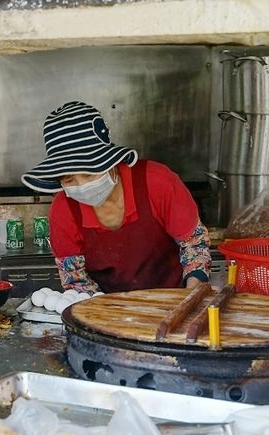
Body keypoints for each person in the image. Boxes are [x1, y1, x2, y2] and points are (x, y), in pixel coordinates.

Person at [22, 101, 210, 294]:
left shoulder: (157, 182)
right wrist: (105, 313)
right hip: (106, 309)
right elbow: (76, 280)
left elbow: (194, 245)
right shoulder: (64, 211)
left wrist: (191, 296)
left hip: (173, 299)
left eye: (89, 174)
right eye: (69, 179)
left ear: (110, 162)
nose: (82, 186)